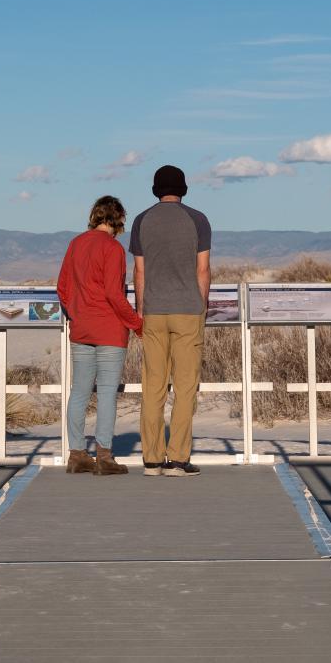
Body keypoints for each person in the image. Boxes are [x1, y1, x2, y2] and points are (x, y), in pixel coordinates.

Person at [130, 164, 212, 476]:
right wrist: (201, 304)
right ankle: (178, 458)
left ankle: (152, 459)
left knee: (153, 386)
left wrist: (140, 307)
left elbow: (139, 271)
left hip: (153, 310)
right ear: (183, 188)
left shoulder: (142, 220)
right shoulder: (198, 219)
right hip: (188, 309)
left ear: (155, 189)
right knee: (185, 386)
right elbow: (202, 269)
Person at [55, 194, 145, 474]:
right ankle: (104, 456)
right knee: (106, 393)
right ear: (118, 219)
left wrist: (77, 312)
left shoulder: (76, 244)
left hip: (81, 328)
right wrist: (136, 323)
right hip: (109, 329)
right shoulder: (113, 249)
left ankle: (77, 453)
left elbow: (62, 288)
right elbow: (113, 294)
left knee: (79, 392)